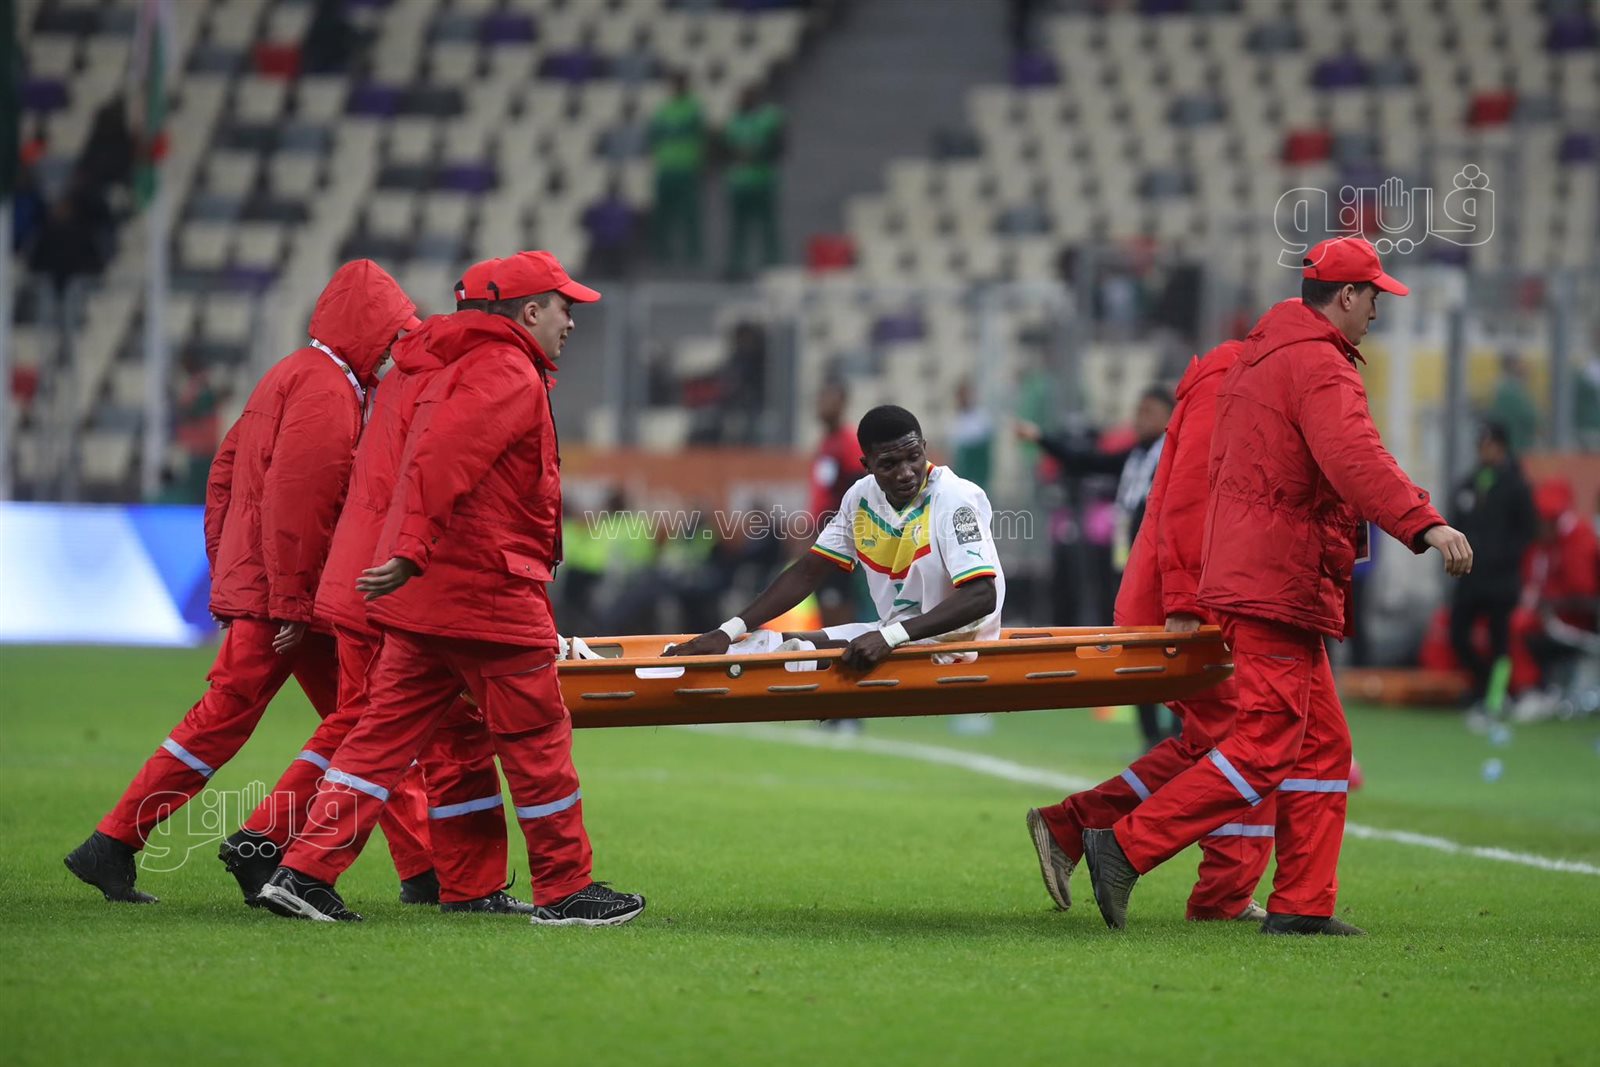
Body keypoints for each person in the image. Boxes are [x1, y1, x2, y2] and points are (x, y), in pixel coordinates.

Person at [1080, 237, 1473, 936]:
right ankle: (1127, 846)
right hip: (1275, 580)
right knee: (1266, 741)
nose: (1377, 311)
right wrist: (1424, 523)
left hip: (1253, 572)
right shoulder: (1318, 364)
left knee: (1323, 746)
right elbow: (1354, 457)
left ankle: (1301, 905)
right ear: (1346, 295)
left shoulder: (1258, 356)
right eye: (1374, 296)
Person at [256, 251, 646, 926]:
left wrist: (408, 554)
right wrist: (410, 549)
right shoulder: (506, 369)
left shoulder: (432, 364)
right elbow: (443, 460)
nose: (571, 322)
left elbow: (408, 463)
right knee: (538, 739)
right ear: (530, 311)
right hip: (487, 591)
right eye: (565, 308)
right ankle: (565, 888)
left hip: (424, 599)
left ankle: (305, 870)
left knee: (380, 739)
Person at [64, 260, 424, 904]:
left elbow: (224, 476)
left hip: (279, 589)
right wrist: (287, 601)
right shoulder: (328, 390)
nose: (395, 347)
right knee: (360, 721)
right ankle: (134, 841)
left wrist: (230, 576)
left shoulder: (290, 374)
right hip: (295, 598)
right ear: (366, 327)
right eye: (392, 331)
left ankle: (134, 843)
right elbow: (298, 503)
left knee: (359, 721)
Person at [218, 260, 530, 915]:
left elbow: (237, 474)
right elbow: (428, 485)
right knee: (389, 728)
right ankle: (287, 849)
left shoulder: (382, 385)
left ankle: (405, 870)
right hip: (389, 586)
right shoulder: (438, 381)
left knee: (370, 723)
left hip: (360, 579)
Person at [1027, 339, 1274, 923]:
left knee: (1212, 745)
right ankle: (1214, 890)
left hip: (1183, 594)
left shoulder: (1224, 393)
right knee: (1244, 741)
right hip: (1189, 600)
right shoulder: (1229, 390)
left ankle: (1073, 826)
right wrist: (1184, 598)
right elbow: (1187, 502)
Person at [666, 405, 1004, 674]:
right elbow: (809, 570)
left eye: (913, 457)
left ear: (924, 449)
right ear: (867, 465)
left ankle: (842, 718)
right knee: (766, 644)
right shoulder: (861, 498)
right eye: (889, 464)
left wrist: (889, 636)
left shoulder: (954, 499)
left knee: (797, 654)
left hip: (958, 640)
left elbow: (982, 595)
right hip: (899, 632)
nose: (905, 472)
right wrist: (728, 630)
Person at [1019, 385, 1175, 748]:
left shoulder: (1174, 455)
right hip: (1129, 567)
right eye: (1138, 411)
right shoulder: (1135, 455)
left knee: (1170, 650)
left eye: (1150, 412)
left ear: (1170, 418)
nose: (1140, 419)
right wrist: (1042, 439)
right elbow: (1085, 460)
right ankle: (1152, 736)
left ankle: (1181, 734)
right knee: (1137, 651)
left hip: (1162, 570)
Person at [1447, 422, 1536, 719]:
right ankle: (1483, 686)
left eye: (1488, 445)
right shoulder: (1469, 483)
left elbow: (1527, 530)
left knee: (1501, 641)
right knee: (1457, 634)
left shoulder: (1517, 485)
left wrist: (1502, 557)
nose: (1483, 451)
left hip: (1501, 580)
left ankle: (1496, 699)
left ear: (1501, 446)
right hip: (1470, 578)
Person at [1507, 479, 1600, 718]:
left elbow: (1583, 589)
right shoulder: (1540, 546)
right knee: (1511, 621)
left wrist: (1548, 603)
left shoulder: (1579, 538)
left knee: (1520, 623)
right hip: (1550, 616)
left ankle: (1531, 690)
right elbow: (1531, 582)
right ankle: (1525, 691)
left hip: (1576, 620)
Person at [722, 89, 784, 280]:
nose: (744, 100)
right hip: (739, 182)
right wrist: (738, 154)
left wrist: (758, 155)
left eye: (748, 97)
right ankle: (736, 265)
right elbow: (724, 150)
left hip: (762, 181)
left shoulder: (767, 121)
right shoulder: (733, 122)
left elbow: (779, 147)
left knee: (767, 226)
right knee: (738, 227)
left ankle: (773, 265)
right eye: (742, 97)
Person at [648, 72, 706, 267]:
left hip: (687, 167)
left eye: (681, 82)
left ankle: (693, 253)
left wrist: (701, 162)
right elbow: (654, 136)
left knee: (690, 213)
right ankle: (662, 253)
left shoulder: (693, 108)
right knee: (664, 213)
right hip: (666, 167)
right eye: (675, 83)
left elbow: (701, 136)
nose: (678, 86)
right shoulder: (664, 110)